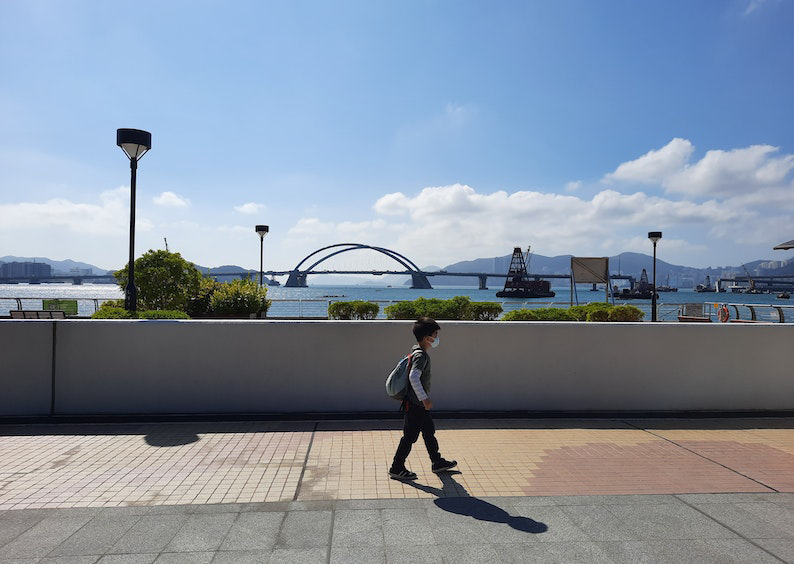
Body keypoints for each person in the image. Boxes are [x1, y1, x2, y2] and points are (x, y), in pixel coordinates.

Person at [389, 316, 457, 480]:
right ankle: (396, 467)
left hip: (416, 404)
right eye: (435, 334)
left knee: (428, 431)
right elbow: (414, 377)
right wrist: (425, 398)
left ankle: (437, 461)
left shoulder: (416, 351)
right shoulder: (421, 356)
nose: (437, 338)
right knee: (410, 436)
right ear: (428, 338)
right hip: (415, 404)